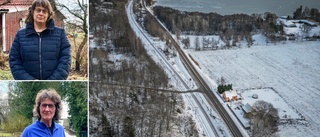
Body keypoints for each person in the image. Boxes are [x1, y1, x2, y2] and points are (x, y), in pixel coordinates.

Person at [9, 0, 71, 80]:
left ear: (49, 14)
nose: (41, 13)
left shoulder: (60, 33)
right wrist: (31, 81)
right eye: (38, 10)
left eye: (44, 11)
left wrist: (52, 80)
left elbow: (66, 59)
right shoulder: (21, 35)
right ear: (32, 12)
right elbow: (14, 60)